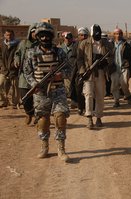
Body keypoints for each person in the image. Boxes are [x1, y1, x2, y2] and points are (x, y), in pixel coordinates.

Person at [23, 22, 71, 162]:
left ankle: (61, 149)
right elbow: (27, 72)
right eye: (42, 35)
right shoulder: (31, 52)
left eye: (47, 35)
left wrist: (60, 75)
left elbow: (69, 69)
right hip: (40, 93)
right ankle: (44, 147)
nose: (45, 38)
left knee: (60, 118)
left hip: (58, 91)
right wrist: (34, 84)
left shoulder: (59, 52)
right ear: (38, 36)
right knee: (43, 120)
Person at [77, 24, 113, 129]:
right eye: (95, 34)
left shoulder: (106, 43)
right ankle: (89, 118)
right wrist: (83, 71)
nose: (97, 36)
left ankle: (98, 117)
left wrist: (105, 62)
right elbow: (79, 59)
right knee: (88, 94)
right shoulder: (84, 43)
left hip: (101, 73)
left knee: (100, 95)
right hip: (88, 72)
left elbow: (111, 56)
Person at [14, 23, 38, 125]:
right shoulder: (23, 43)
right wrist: (16, 60)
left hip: (37, 75)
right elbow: (17, 53)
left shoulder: (41, 44)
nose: (35, 34)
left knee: (38, 97)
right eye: (33, 32)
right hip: (24, 75)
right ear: (30, 32)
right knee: (25, 97)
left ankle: (38, 116)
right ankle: (29, 113)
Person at [110, 28, 131, 107]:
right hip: (114, 69)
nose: (118, 35)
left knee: (124, 84)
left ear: (122, 34)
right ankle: (116, 101)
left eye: (119, 33)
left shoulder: (126, 45)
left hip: (124, 67)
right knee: (114, 85)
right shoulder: (111, 45)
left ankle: (128, 95)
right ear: (114, 35)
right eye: (116, 34)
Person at [70, 27, 89, 115]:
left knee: (90, 91)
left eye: (85, 35)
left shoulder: (91, 44)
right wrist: (78, 64)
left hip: (90, 71)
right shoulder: (76, 45)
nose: (83, 37)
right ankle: (80, 107)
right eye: (81, 35)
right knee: (78, 89)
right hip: (78, 71)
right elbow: (73, 57)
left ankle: (89, 107)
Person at [0, 29, 19, 108]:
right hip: (4, 70)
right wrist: (1, 65)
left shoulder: (18, 44)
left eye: (10, 35)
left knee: (15, 87)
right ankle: (3, 101)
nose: (9, 36)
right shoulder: (2, 44)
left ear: (13, 35)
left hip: (14, 70)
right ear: (4, 36)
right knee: (0, 85)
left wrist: (14, 65)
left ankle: (14, 103)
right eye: (7, 35)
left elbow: (18, 56)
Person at [60, 32, 76, 99]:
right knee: (66, 88)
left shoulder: (76, 47)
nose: (67, 40)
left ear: (72, 39)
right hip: (64, 71)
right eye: (66, 38)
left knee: (73, 87)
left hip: (74, 70)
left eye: (69, 39)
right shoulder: (61, 48)